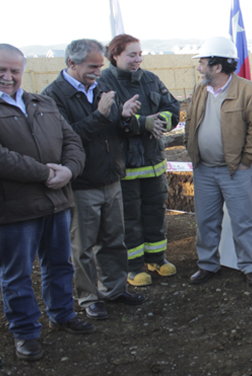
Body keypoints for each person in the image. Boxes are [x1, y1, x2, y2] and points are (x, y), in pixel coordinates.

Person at [0, 44, 94, 361]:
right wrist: (45, 173)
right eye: (0, 69)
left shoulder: (41, 101)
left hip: (56, 202)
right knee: (16, 275)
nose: (8, 76)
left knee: (60, 264)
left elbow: (72, 141)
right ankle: (25, 332)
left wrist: (69, 169)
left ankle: (62, 314)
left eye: (15, 70)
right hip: (14, 209)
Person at [41, 39, 147, 320]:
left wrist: (123, 117)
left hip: (110, 178)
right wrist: (101, 116)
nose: (98, 71)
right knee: (83, 246)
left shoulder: (100, 88)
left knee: (114, 240)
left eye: (100, 66)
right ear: (71, 64)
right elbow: (64, 139)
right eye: (92, 66)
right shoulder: (53, 97)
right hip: (81, 184)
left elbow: (114, 129)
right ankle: (89, 297)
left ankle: (113, 289)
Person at [184, 36, 252, 286]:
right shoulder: (200, 90)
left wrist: (246, 161)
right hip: (204, 170)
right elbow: (191, 121)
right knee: (206, 221)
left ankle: (250, 266)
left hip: (235, 171)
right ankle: (208, 265)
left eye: (202, 63)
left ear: (217, 66)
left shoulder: (247, 90)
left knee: (243, 220)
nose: (199, 68)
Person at [98, 34, 181, 287]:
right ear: (115, 55)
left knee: (155, 212)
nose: (138, 59)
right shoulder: (104, 83)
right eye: (131, 55)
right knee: (129, 218)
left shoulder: (151, 79)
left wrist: (162, 122)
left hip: (154, 164)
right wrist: (144, 124)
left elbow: (173, 108)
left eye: (140, 54)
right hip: (125, 169)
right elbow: (108, 120)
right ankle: (132, 267)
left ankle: (157, 258)